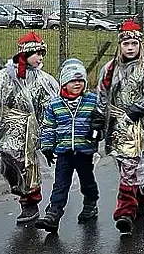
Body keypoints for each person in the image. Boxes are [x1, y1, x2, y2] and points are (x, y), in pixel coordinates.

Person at [0, 32, 59, 225]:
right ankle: (20, 191)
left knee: (29, 166)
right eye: (36, 54)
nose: (40, 58)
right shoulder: (3, 78)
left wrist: (53, 136)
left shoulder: (44, 80)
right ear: (24, 54)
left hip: (32, 131)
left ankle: (30, 204)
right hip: (8, 128)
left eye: (42, 54)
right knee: (9, 165)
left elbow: (54, 107)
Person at [98, 19, 144, 235]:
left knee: (130, 167)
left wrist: (137, 110)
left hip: (140, 125)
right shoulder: (109, 69)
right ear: (120, 46)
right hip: (117, 126)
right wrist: (99, 120)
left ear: (141, 45)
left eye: (134, 44)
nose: (130, 48)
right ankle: (140, 198)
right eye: (126, 44)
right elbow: (103, 96)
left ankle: (125, 212)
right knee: (126, 167)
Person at [35, 59, 103, 233]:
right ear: (64, 82)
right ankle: (53, 213)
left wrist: (96, 133)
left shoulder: (91, 100)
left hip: (84, 151)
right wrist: (47, 146)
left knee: (87, 181)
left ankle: (90, 203)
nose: (77, 84)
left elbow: (100, 121)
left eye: (81, 81)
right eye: (73, 80)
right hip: (64, 152)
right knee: (60, 184)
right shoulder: (54, 104)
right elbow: (48, 126)